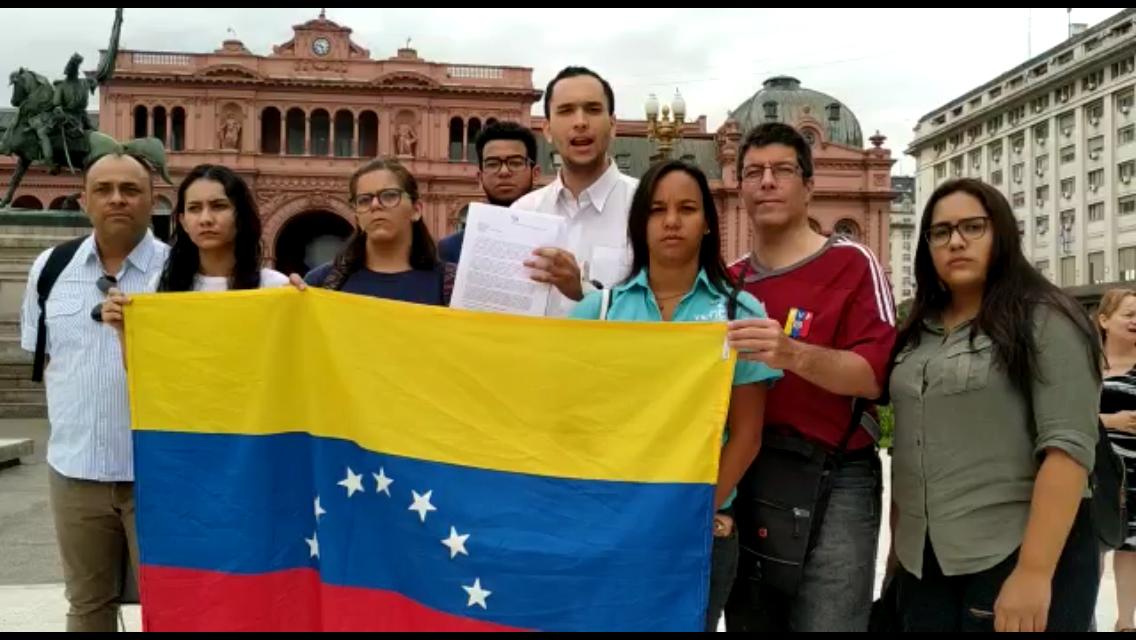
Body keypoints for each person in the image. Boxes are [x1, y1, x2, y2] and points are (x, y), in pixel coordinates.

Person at [570, 160, 779, 631]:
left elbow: (746, 435)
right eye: (657, 209)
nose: (671, 221)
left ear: (707, 222)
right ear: (639, 222)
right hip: (610, 524)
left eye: (687, 208)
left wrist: (694, 511)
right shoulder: (597, 312)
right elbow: (568, 420)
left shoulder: (738, 312)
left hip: (699, 529)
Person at [888, 178, 1101, 632]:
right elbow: (910, 447)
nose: (956, 241)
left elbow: (1068, 451)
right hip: (923, 565)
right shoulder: (919, 329)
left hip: (1011, 555)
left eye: (973, 227)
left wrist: (1034, 574)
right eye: (940, 232)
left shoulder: (1045, 318)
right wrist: (896, 562)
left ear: (1001, 233)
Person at [723, 122, 896, 632]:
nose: (767, 182)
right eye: (753, 172)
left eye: (782, 170)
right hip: (751, 470)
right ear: (740, 187)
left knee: (831, 622)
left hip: (835, 475)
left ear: (808, 186)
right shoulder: (729, 280)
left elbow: (875, 378)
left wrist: (792, 353)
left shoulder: (852, 263)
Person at [18, 135, 169, 632]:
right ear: (84, 200)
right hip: (75, 471)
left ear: (153, 199)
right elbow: (44, 356)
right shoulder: (50, 269)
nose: (117, 198)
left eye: (131, 189)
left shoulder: (180, 273)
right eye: (103, 189)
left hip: (161, 476)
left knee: (171, 606)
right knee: (86, 606)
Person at [100, 164, 289, 342]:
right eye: (194, 209)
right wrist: (124, 330)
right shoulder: (161, 285)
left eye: (218, 206)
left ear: (241, 215)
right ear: (183, 222)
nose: (205, 219)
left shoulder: (275, 287)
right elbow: (148, 365)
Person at [511, 66, 636, 317]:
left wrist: (584, 292)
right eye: (566, 111)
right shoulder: (522, 213)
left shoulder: (645, 205)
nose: (580, 122)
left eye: (592, 109)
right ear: (547, 130)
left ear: (612, 125)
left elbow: (663, 309)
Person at [303, 158, 454, 305]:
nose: (375, 205)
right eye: (364, 200)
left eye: (389, 195)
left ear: (416, 210)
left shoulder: (450, 287)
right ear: (356, 215)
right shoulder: (321, 283)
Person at [438, 121, 541, 263]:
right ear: (480, 177)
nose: (504, 172)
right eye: (492, 164)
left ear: (535, 174)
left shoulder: (558, 238)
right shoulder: (450, 250)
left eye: (515, 163)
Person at [1097, 288, 1136, 631]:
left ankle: (1125, 622)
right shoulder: (1086, 365)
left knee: (1131, 548)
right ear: (1104, 320)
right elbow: (1065, 415)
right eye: (1129, 314)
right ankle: (1084, 618)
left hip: (1135, 474)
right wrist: (1111, 421)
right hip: (1094, 473)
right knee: (1092, 546)